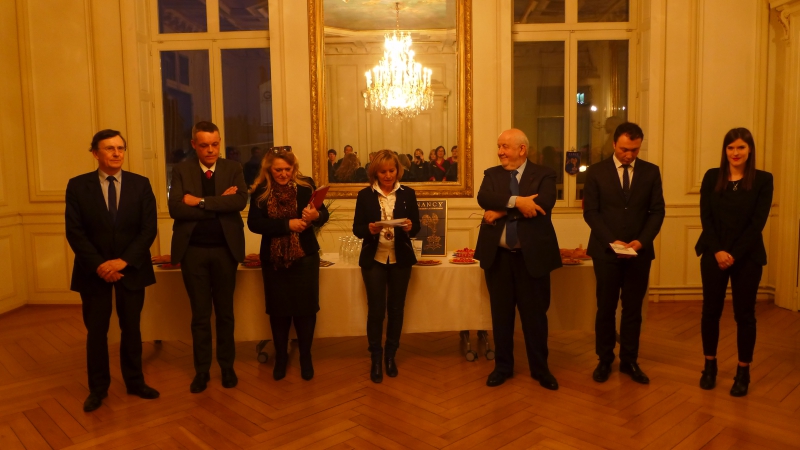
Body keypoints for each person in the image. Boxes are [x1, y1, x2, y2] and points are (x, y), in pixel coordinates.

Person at [65, 129, 160, 412]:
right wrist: (100, 265)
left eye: (120, 148)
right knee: (97, 332)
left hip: (131, 270)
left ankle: (135, 382)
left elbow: (148, 230)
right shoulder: (78, 186)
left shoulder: (141, 185)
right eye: (109, 148)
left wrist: (123, 262)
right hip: (92, 272)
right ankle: (98, 389)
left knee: (132, 328)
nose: (117, 153)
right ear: (95, 153)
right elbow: (75, 231)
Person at [474, 129, 562, 389]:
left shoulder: (544, 174)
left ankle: (540, 369)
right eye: (499, 146)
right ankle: (503, 367)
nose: (500, 151)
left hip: (531, 258)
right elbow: (484, 198)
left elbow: (543, 204)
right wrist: (517, 202)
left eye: (505, 147)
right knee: (501, 317)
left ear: (521, 150)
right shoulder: (492, 175)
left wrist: (501, 212)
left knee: (535, 317)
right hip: (498, 258)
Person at [168, 121, 248, 394]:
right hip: (193, 252)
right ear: (194, 145)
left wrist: (200, 201)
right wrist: (218, 204)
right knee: (200, 315)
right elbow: (176, 208)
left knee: (225, 313)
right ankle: (201, 371)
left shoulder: (233, 168)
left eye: (215, 144)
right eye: (204, 145)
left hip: (226, 251)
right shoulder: (181, 170)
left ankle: (227, 366)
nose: (211, 150)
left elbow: (239, 202)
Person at [583, 122, 665, 385]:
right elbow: (591, 212)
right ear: (614, 144)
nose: (629, 155)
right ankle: (604, 359)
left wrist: (640, 242)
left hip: (639, 253)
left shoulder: (651, 172)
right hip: (606, 252)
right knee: (605, 308)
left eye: (635, 150)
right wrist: (611, 241)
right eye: (624, 149)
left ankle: (630, 360)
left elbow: (657, 212)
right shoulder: (596, 172)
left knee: (632, 310)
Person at [695, 127, 773, 397]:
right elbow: (706, 217)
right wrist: (717, 251)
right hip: (714, 253)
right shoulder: (711, 177)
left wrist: (734, 254)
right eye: (731, 147)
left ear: (749, 150)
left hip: (747, 256)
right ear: (725, 150)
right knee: (710, 312)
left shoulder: (763, 180)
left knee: (745, 315)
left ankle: (743, 372)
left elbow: (756, 224)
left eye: (741, 147)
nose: (736, 152)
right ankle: (710, 367)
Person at [247, 148, 329, 381]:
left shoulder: (306, 186)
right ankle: (281, 357)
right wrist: (287, 225)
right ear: (269, 170)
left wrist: (316, 217)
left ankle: (305, 357)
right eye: (278, 170)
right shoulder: (261, 190)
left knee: (305, 310)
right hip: (274, 261)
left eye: (287, 169)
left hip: (305, 257)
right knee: (279, 312)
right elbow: (254, 224)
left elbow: (323, 215)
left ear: (294, 168)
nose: (283, 174)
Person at [353, 150, 421, 383]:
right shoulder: (364, 195)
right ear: (375, 172)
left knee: (396, 309)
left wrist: (410, 226)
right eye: (383, 171)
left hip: (400, 259)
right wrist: (369, 229)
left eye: (392, 170)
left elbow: (417, 226)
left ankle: (391, 356)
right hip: (374, 259)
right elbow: (357, 228)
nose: (388, 175)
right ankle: (376, 357)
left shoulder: (408, 194)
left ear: (397, 170)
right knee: (376, 310)